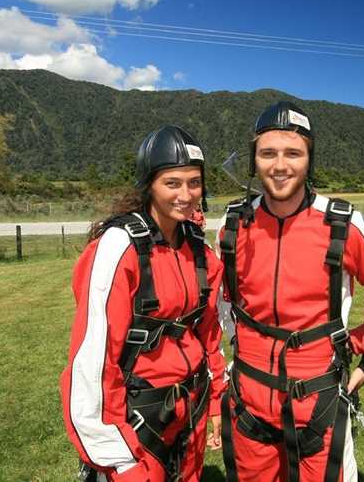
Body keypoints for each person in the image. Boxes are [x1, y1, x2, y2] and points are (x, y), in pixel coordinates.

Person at [217, 101, 364, 482]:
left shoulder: (345, 224)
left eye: (293, 153)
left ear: (310, 159)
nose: (279, 166)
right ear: (254, 159)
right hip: (249, 398)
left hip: (318, 398)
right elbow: (225, 301)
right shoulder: (232, 225)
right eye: (268, 153)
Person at [60, 126, 226, 482]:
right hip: (136, 427)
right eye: (173, 183)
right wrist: (117, 458)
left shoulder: (200, 252)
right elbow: (93, 361)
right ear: (149, 184)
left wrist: (215, 401)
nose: (186, 194)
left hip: (190, 416)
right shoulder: (119, 249)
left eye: (194, 183)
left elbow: (209, 334)